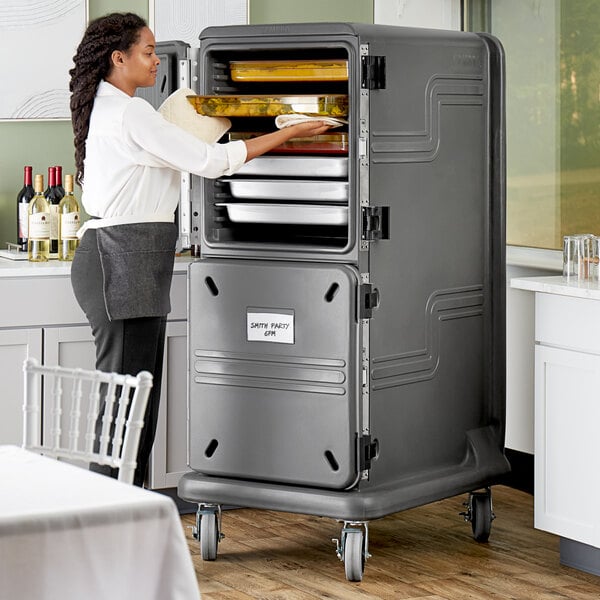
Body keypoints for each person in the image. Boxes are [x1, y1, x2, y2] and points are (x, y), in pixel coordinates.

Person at [69, 12, 332, 486]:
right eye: (147, 53)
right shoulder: (130, 113)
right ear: (118, 58)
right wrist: (289, 132)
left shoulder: (115, 109)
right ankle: (106, 522)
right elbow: (210, 163)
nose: (154, 61)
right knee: (126, 409)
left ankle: (132, 516)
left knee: (135, 405)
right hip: (121, 260)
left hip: (126, 259)